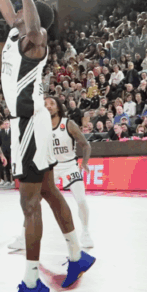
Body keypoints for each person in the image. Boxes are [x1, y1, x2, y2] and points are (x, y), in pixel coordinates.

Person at [0, 0, 95, 292]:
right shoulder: (16, 30)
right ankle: (77, 256)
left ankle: (31, 282)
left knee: (29, 203)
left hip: (30, 125)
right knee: (48, 192)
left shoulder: (36, 39)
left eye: (22, 7)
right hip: (29, 125)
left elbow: (30, 21)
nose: (15, 9)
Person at [46, 98, 94, 248]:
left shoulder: (68, 124)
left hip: (69, 166)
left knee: (81, 200)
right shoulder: (41, 126)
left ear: (58, 107)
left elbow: (85, 145)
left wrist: (84, 163)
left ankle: (85, 232)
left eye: (51, 104)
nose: (48, 107)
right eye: (45, 104)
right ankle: (23, 236)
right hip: (50, 167)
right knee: (33, 201)